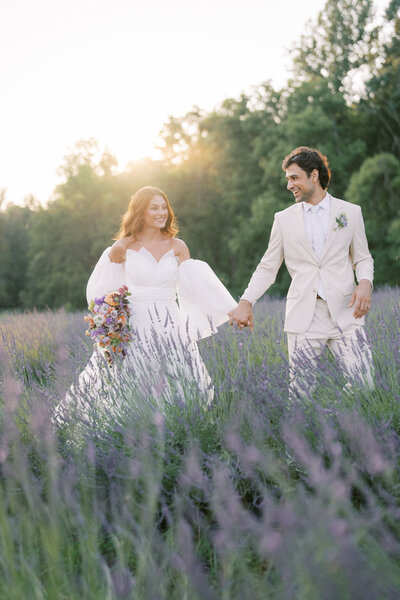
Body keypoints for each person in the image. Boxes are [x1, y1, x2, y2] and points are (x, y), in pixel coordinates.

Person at [56, 186, 237, 420]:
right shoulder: (123, 246)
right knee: (132, 378)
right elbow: (101, 291)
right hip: (134, 324)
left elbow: (196, 285)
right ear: (141, 212)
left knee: (175, 377)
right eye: (154, 208)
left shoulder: (178, 247)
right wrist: (112, 317)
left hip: (169, 323)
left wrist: (231, 309)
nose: (161, 212)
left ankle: (173, 430)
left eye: (164, 207)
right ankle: (130, 431)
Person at [228, 146, 374, 396]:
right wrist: (246, 301)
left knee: (366, 385)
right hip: (305, 317)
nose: (289, 185)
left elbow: (363, 258)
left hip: (347, 312)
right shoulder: (283, 219)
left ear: (314, 175)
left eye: (294, 178)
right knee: (301, 396)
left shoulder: (350, 212)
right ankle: (312, 433)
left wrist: (365, 283)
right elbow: (267, 267)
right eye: (288, 179)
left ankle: (340, 424)